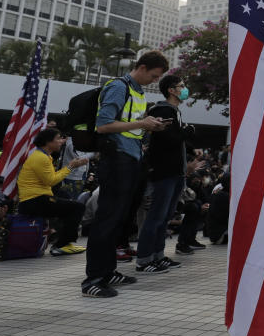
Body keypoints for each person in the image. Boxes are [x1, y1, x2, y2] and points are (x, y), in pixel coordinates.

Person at [82, 50, 170, 298]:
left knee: (119, 219)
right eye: (153, 76)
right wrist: (142, 124)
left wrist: (150, 125)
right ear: (141, 67)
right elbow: (103, 124)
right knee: (107, 218)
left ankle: (108, 272)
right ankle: (93, 279)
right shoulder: (118, 87)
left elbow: (129, 126)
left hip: (131, 158)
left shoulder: (138, 92)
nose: (154, 81)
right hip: (116, 159)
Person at [135, 75, 200, 273]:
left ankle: (158, 255)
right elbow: (167, 139)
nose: (184, 89)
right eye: (181, 86)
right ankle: (144, 259)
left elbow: (173, 140)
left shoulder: (173, 110)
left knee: (165, 217)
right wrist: (187, 131)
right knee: (156, 216)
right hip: (164, 172)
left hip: (175, 172)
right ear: (171, 90)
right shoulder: (163, 110)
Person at [16, 128, 90, 256]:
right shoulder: (41, 158)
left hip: (35, 199)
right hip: (34, 201)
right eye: (58, 138)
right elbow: (51, 181)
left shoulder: (44, 156)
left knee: (70, 206)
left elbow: (49, 180)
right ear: (47, 142)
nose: (61, 141)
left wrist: (71, 166)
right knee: (77, 207)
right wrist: (71, 166)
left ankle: (63, 241)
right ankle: (62, 245)